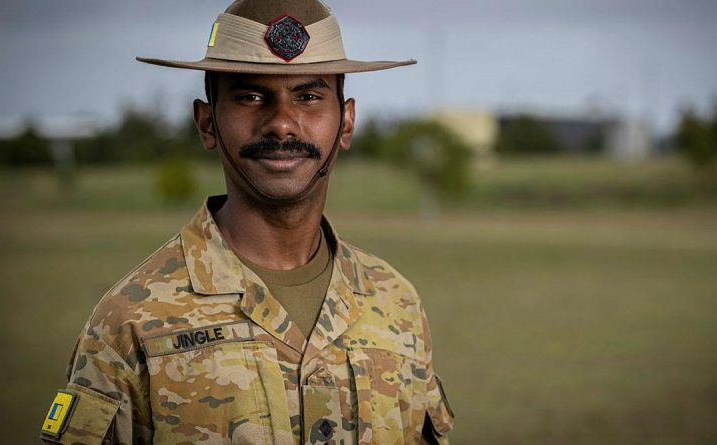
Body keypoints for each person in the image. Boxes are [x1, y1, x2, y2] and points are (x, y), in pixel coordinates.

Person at [39, 1, 454, 444]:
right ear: (206, 123)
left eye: (309, 96)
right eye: (250, 97)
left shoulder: (396, 302)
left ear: (346, 121)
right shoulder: (130, 321)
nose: (281, 123)